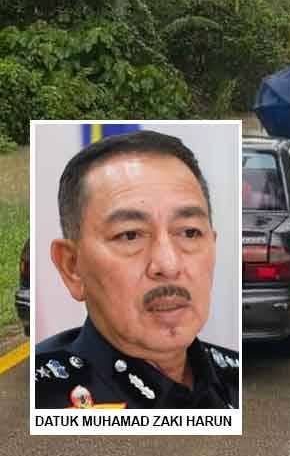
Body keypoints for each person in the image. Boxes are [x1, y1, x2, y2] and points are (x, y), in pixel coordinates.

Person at [35, 130, 238, 409]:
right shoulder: (41, 399)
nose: (168, 265)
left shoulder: (237, 377)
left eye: (190, 233)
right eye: (130, 235)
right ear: (72, 267)